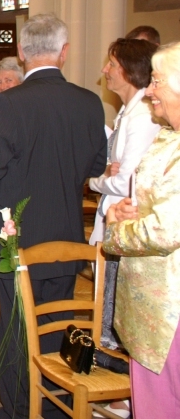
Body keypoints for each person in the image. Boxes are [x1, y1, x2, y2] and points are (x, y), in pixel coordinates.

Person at [0, 14, 107, 419]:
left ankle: (18, 410)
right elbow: (97, 163)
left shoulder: (10, 103)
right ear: (64, 52)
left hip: (18, 239)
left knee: (16, 329)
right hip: (65, 233)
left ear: (21, 53)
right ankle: (54, 405)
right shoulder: (88, 101)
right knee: (58, 321)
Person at [103, 41, 180, 419]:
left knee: (163, 402)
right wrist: (123, 208)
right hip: (152, 300)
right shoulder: (169, 135)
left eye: (159, 81)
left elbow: (167, 229)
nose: (149, 89)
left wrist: (116, 230)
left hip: (170, 306)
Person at [87, 38, 159, 419]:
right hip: (113, 219)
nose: (105, 70)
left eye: (111, 63)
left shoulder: (143, 115)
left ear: (130, 68)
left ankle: (124, 398)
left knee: (117, 314)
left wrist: (96, 180)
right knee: (109, 308)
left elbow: (127, 179)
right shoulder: (130, 111)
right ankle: (121, 394)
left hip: (125, 222)